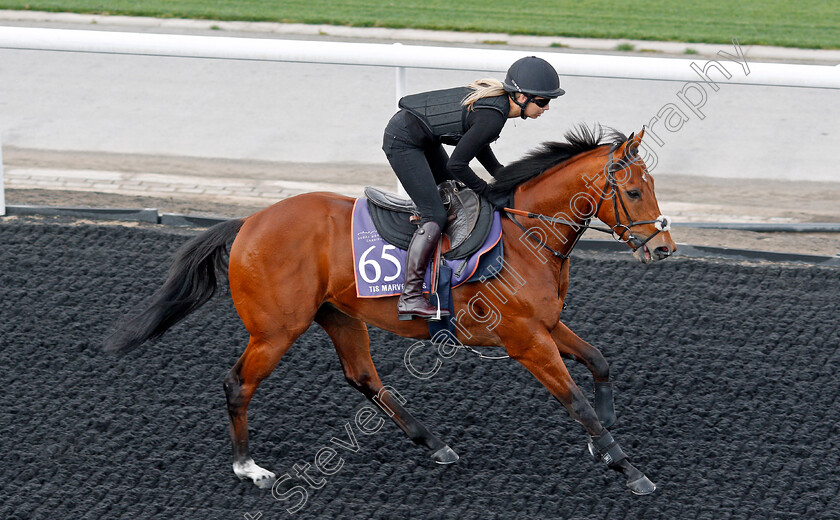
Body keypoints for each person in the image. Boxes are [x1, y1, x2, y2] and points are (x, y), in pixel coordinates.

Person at [382, 56, 565, 321]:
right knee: (436, 214)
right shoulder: (493, 116)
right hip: (404, 141)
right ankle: (410, 297)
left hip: (424, 137)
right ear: (522, 96)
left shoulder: (498, 108)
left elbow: (478, 144)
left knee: (455, 192)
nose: (547, 108)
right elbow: (458, 164)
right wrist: (488, 191)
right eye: (543, 101)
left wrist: (503, 177)